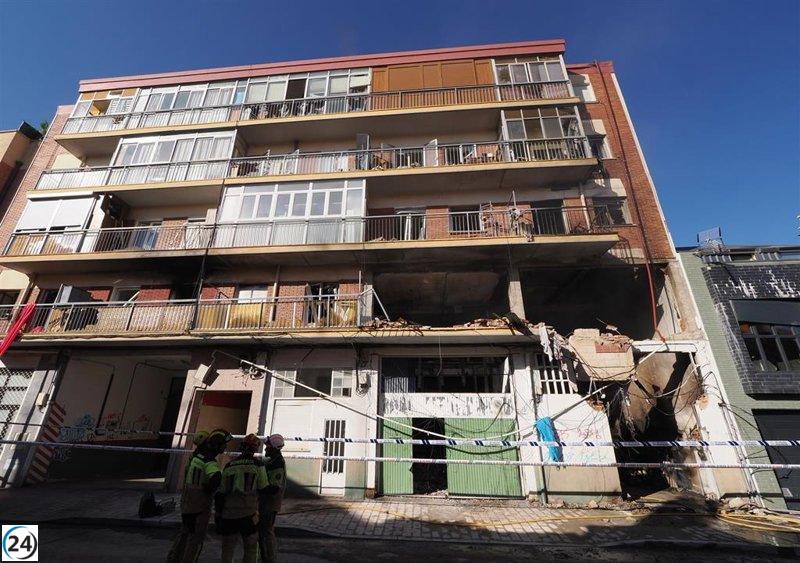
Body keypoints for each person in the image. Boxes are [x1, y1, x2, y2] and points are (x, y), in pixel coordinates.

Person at [167, 428, 231, 563]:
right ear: (217, 444)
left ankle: (173, 558)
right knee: (195, 539)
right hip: (200, 505)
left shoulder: (195, 457)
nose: (225, 447)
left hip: (187, 502)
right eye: (224, 444)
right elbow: (216, 477)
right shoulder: (209, 461)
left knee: (185, 532)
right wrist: (210, 489)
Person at [216, 433, 269, 563]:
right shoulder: (258, 465)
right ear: (255, 449)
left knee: (227, 550)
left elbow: (220, 493)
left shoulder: (229, 466)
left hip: (229, 514)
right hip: (248, 514)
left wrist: (218, 513)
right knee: (251, 548)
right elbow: (263, 488)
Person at [257, 434, 286, 563]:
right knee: (263, 531)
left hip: (270, 503)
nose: (265, 448)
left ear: (274, 447)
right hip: (265, 502)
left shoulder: (277, 463)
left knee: (267, 531)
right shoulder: (272, 460)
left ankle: (269, 558)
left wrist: (260, 488)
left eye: (267, 445)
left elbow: (274, 487)